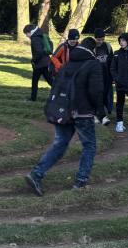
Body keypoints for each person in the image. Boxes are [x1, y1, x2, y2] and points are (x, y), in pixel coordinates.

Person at [25, 36, 105, 194]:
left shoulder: (68, 63)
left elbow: (55, 84)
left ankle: (36, 174)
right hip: (82, 112)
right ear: (93, 50)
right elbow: (96, 91)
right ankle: (80, 182)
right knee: (89, 145)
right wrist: (100, 111)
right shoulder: (93, 64)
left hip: (63, 111)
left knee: (60, 144)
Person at [23, 23, 53, 101]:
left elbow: (38, 52)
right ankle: (61, 93)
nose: (26, 36)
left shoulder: (35, 39)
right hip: (46, 61)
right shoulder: (40, 34)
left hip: (39, 64)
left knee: (35, 82)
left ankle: (33, 98)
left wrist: (33, 60)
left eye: (26, 34)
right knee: (50, 80)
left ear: (30, 32)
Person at [93, 30, 114, 125]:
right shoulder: (92, 47)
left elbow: (112, 61)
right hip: (95, 76)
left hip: (106, 75)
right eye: (98, 39)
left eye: (102, 39)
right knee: (97, 95)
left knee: (105, 95)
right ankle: (96, 114)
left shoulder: (107, 46)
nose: (100, 41)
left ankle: (102, 113)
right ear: (95, 38)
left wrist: (112, 76)